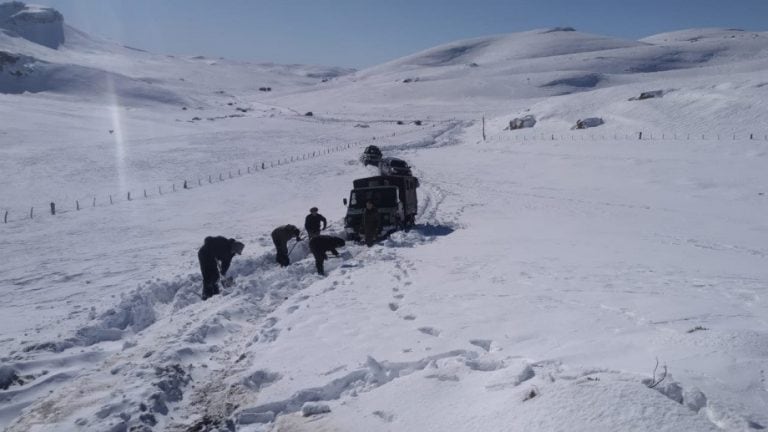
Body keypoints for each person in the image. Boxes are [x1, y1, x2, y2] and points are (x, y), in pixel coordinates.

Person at [198, 236, 244, 300]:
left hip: (213, 259)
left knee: (216, 276)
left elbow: (226, 263)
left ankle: (215, 293)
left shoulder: (231, 253)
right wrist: (213, 253)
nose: (235, 252)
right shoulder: (223, 242)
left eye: (236, 252)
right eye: (235, 251)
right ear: (233, 247)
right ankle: (206, 295)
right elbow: (208, 239)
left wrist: (223, 272)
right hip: (204, 254)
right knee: (208, 275)